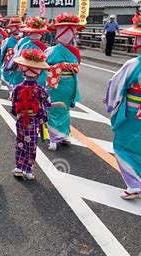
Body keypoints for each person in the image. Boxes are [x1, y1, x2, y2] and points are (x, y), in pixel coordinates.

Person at [104, 10, 141, 200]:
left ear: (139, 42)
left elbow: (116, 84)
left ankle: (134, 185)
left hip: (133, 113)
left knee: (123, 146)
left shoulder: (133, 64)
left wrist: (111, 103)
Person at [11, 49, 65, 180]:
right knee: (31, 144)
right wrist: (59, 104)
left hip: (21, 119)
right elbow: (47, 104)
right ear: (38, 73)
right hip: (34, 120)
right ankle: (28, 170)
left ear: (24, 71)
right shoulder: (40, 89)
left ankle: (19, 167)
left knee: (20, 142)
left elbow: (14, 105)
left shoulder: (17, 88)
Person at [44, 13, 84, 151]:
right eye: (63, 31)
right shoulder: (49, 51)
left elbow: (76, 67)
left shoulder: (75, 51)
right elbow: (44, 67)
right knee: (53, 107)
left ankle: (64, 134)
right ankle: (53, 137)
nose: (66, 34)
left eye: (70, 31)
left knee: (65, 109)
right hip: (54, 83)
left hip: (69, 83)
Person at [5, 16, 49, 88]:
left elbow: (16, 56)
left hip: (24, 71)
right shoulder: (43, 48)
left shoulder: (24, 44)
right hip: (34, 72)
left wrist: (9, 66)